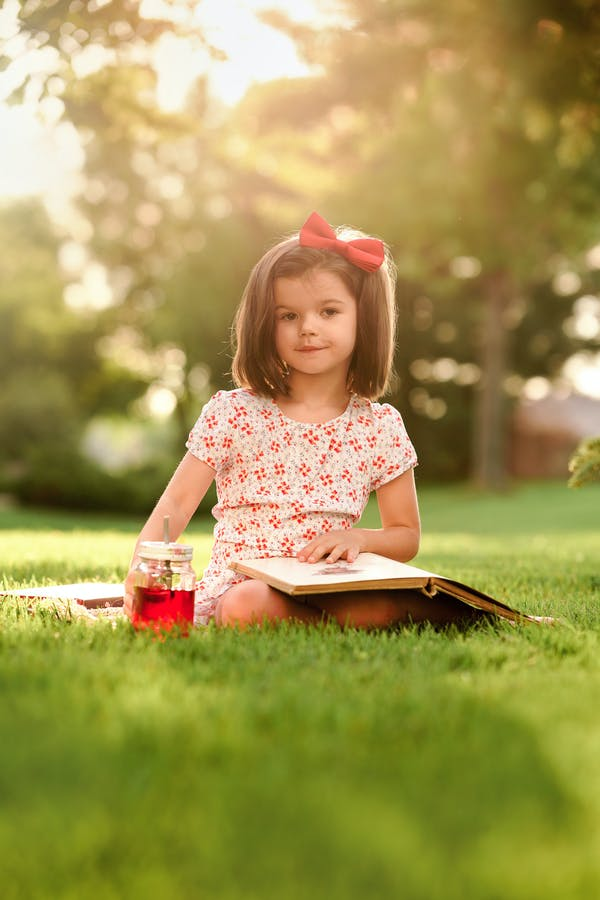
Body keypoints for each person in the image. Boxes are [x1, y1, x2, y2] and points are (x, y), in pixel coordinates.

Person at [124, 211, 457, 629]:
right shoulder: (234, 413)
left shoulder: (379, 427)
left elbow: (406, 535)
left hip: (332, 585)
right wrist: (141, 574)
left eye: (329, 312)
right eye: (289, 316)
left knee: (378, 600)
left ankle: (386, 615)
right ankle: (368, 621)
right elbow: (175, 505)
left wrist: (359, 538)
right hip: (245, 585)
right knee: (245, 608)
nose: (308, 329)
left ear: (363, 319)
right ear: (268, 323)